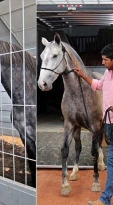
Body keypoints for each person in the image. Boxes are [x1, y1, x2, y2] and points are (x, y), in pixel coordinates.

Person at [73, 44, 113, 205]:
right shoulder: (107, 73)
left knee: (111, 161)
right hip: (109, 121)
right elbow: (98, 85)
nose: (102, 62)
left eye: (105, 60)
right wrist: (82, 75)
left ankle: (104, 199)